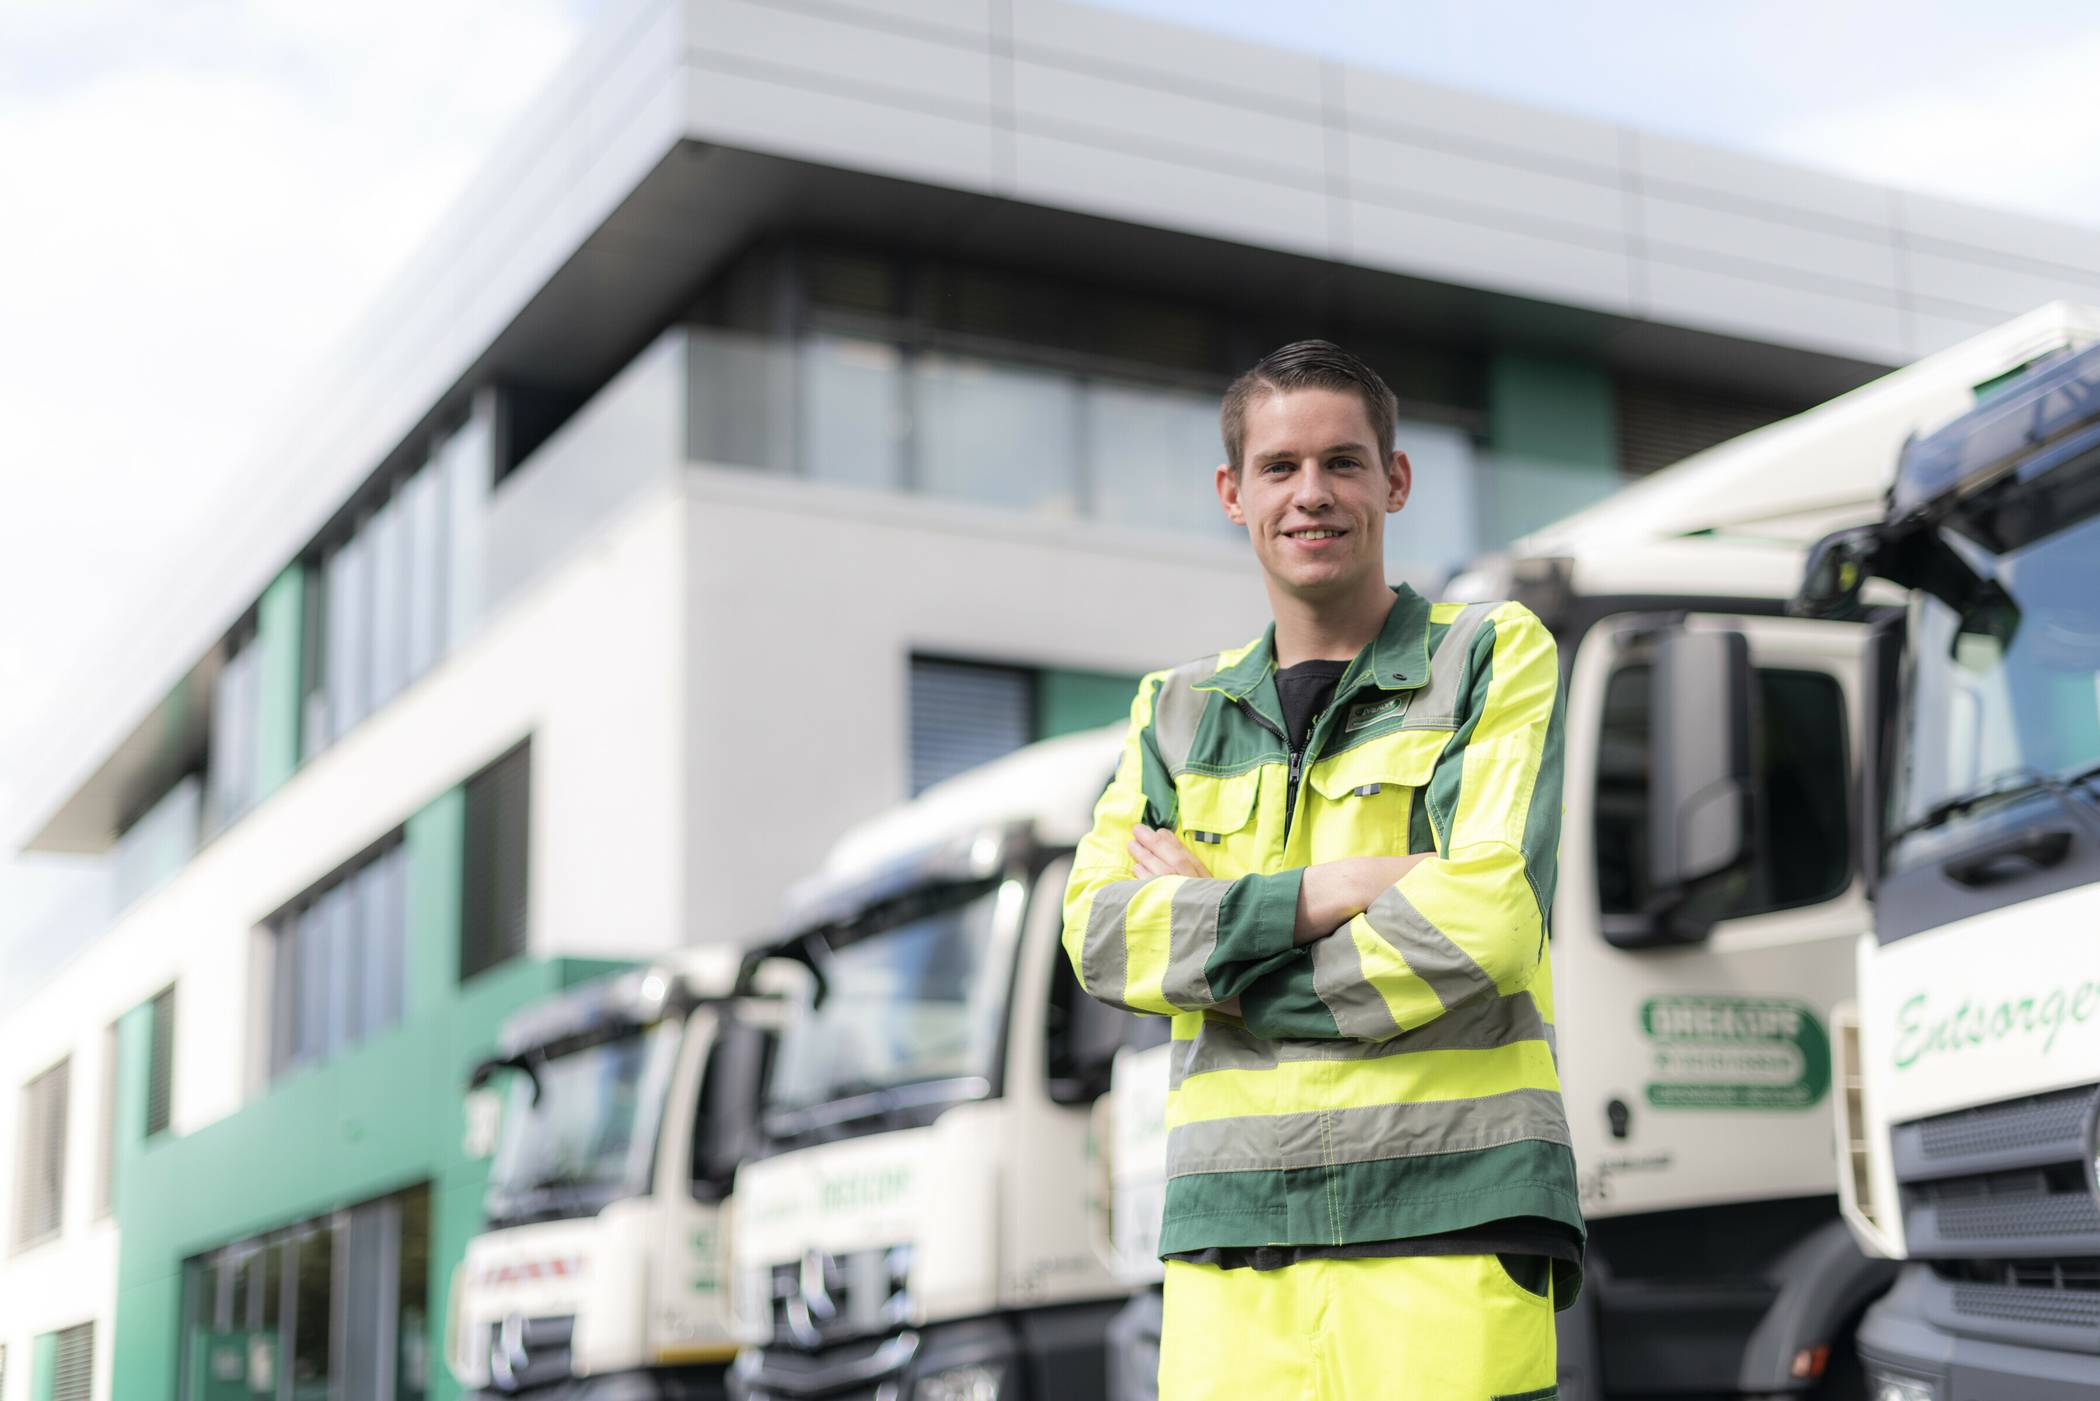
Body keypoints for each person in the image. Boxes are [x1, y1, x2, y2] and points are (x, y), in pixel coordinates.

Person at [1062, 340, 1582, 1399]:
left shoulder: (1489, 654)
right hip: (1233, 1236)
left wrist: (1225, 951)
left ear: (1393, 481)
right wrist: (1329, 891)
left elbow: (1482, 922)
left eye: (1344, 463)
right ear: (1232, 491)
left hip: (1453, 1213)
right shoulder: (1173, 711)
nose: (1313, 494)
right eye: (1280, 467)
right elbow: (1102, 938)